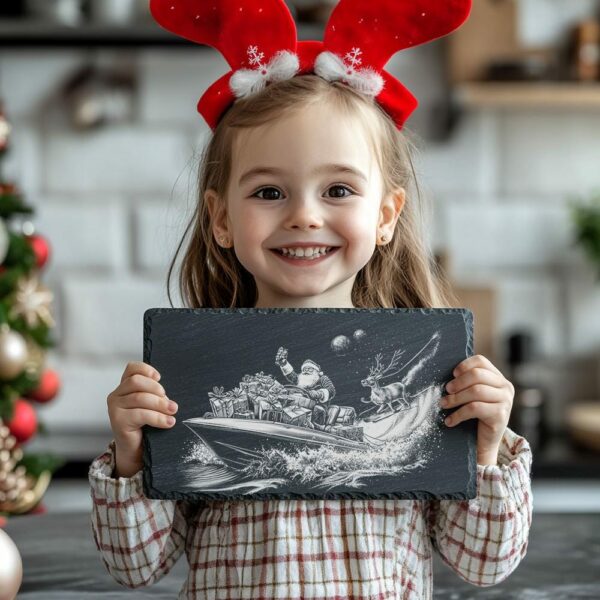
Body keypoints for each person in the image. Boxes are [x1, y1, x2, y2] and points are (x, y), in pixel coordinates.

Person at [88, 0, 533, 598]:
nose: (304, 215)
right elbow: (135, 566)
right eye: (269, 190)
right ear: (221, 218)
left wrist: (484, 447)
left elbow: (484, 564)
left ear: (384, 215)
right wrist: (130, 456)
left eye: (339, 189)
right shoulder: (188, 376)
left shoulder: (430, 381)